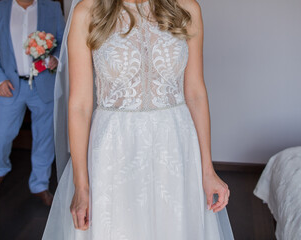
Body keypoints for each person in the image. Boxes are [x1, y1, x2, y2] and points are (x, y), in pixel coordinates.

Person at [44, 0, 234, 238]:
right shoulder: (88, 12)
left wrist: (208, 170)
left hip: (176, 149)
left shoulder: (187, 8)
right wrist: (81, 186)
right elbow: (80, 106)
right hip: (114, 153)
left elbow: (195, 93)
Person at [0, 0, 65, 206]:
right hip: (9, 84)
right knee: (1, 134)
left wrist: (55, 58)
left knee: (44, 136)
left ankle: (40, 185)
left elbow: (63, 41)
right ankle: (0, 169)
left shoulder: (51, 7)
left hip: (43, 83)